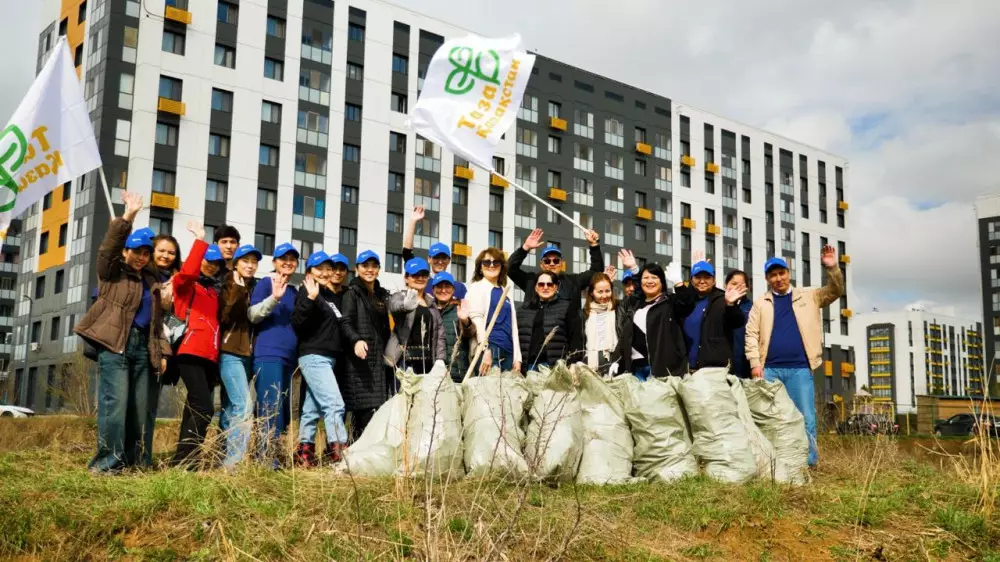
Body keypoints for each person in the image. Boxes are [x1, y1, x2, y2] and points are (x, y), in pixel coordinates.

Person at [74, 192, 170, 474]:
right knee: (115, 408)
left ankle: (137, 463)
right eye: (136, 251)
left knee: (141, 411)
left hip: (144, 349)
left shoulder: (151, 281)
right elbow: (108, 248)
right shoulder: (111, 272)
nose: (140, 257)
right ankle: (107, 465)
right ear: (126, 251)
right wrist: (128, 216)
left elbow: (157, 322)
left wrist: (163, 352)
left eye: (145, 253)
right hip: (115, 346)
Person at [746, 247, 844, 467]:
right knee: (770, 419)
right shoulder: (761, 303)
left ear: (788, 273)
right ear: (767, 279)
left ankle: (808, 462)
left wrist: (832, 268)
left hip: (800, 369)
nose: (778, 278)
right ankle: (773, 463)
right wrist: (755, 364)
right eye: (773, 275)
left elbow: (836, 290)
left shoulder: (810, 296)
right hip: (769, 369)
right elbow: (751, 334)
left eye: (781, 273)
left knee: (805, 417)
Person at [171, 225, 226, 468]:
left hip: (209, 357)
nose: (211, 265)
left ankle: (186, 461)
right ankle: (186, 458)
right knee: (204, 406)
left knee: (194, 408)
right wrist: (200, 243)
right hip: (189, 351)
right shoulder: (187, 285)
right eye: (207, 260)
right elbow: (187, 273)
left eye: (215, 262)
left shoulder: (214, 292)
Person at [292, 251, 351, 467]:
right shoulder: (307, 291)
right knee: (334, 404)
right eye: (320, 269)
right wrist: (310, 298)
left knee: (312, 408)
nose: (326, 273)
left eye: (328, 269)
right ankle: (340, 453)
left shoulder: (328, 295)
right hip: (314, 356)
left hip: (328, 357)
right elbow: (298, 321)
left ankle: (304, 454)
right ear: (309, 272)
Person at [249, 242, 300, 466]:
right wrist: (274, 299)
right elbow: (252, 315)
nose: (288, 262)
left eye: (292, 259)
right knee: (270, 407)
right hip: (269, 354)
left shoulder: (294, 291)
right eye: (283, 258)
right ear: (274, 262)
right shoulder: (265, 283)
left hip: (290, 358)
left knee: (283, 410)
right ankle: (265, 459)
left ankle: (274, 456)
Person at [612, 250, 694, 379]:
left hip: (662, 370)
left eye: (654, 277)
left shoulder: (670, 302)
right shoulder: (636, 305)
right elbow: (625, 337)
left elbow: (687, 305)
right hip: (636, 369)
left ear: (662, 282)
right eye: (646, 278)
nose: (649, 281)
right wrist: (617, 360)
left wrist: (679, 283)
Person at [339, 250, 392, 441]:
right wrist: (355, 340)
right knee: (361, 406)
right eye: (365, 266)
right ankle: (355, 448)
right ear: (357, 269)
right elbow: (346, 322)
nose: (369, 270)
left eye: (373, 266)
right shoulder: (351, 293)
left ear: (378, 269)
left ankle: (369, 450)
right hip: (359, 358)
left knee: (376, 406)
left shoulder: (382, 295)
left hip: (378, 358)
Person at [217, 244, 261, 468]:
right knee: (244, 406)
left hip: (249, 356)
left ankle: (221, 456)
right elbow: (226, 316)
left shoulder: (258, 287)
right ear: (236, 264)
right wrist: (237, 287)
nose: (250, 266)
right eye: (245, 261)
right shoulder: (228, 284)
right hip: (230, 353)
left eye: (254, 262)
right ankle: (233, 463)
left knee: (229, 408)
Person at [680, 259, 747, 374]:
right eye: (698, 277)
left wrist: (731, 305)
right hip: (686, 368)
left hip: (713, 370)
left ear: (714, 280)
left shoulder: (723, 299)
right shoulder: (686, 302)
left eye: (707, 277)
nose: (702, 281)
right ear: (691, 280)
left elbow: (737, 322)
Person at [508, 227, 604, 300]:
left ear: (561, 264)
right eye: (547, 261)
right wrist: (525, 248)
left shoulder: (573, 282)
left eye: (556, 260)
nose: (552, 263)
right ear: (541, 264)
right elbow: (509, 268)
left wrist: (594, 245)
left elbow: (596, 271)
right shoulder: (531, 281)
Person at [467, 247, 522, 374]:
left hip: (508, 350)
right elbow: (477, 320)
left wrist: (517, 358)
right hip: (490, 348)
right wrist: (484, 349)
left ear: (501, 266)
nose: (491, 265)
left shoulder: (506, 293)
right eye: (486, 262)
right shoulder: (476, 288)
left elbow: (513, 327)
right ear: (480, 267)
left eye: (496, 262)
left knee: (504, 392)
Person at [387, 257, 446, 375]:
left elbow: (440, 334)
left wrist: (440, 359)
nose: (420, 278)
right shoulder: (399, 296)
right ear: (406, 278)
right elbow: (394, 306)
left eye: (424, 275)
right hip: (404, 362)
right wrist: (405, 305)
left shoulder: (431, 302)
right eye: (415, 275)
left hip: (428, 362)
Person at [517, 271, 582, 373]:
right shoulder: (523, 310)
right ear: (536, 287)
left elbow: (576, 338)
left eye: (550, 284)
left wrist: (574, 362)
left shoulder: (567, 307)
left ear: (556, 287)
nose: (545, 287)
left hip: (555, 367)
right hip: (529, 366)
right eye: (541, 284)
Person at [402, 205, 467, 299]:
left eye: (444, 258)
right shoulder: (421, 282)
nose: (440, 261)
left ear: (449, 260)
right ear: (429, 259)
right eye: (436, 257)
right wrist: (413, 221)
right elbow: (407, 252)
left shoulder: (459, 287)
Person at [429, 271, 476, 383]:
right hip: (432, 373)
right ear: (433, 290)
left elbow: (470, 333)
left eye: (447, 287)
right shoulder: (428, 310)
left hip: (457, 374)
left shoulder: (459, 309)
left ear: (453, 290)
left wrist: (465, 320)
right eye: (439, 287)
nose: (443, 290)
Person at [582, 272, 620, 373]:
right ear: (591, 292)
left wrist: (634, 269)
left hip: (614, 363)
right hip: (589, 364)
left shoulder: (619, 309)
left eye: (607, 291)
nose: (604, 295)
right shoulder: (583, 314)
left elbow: (637, 296)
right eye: (600, 291)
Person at [725, 270, 753, 379]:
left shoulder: (752, 308)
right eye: (733, 284)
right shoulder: (717, 305)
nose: (737, 287)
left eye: (741, 285)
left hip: (744, 366)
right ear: (725, 285)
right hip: (721, 366)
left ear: (747, 288)